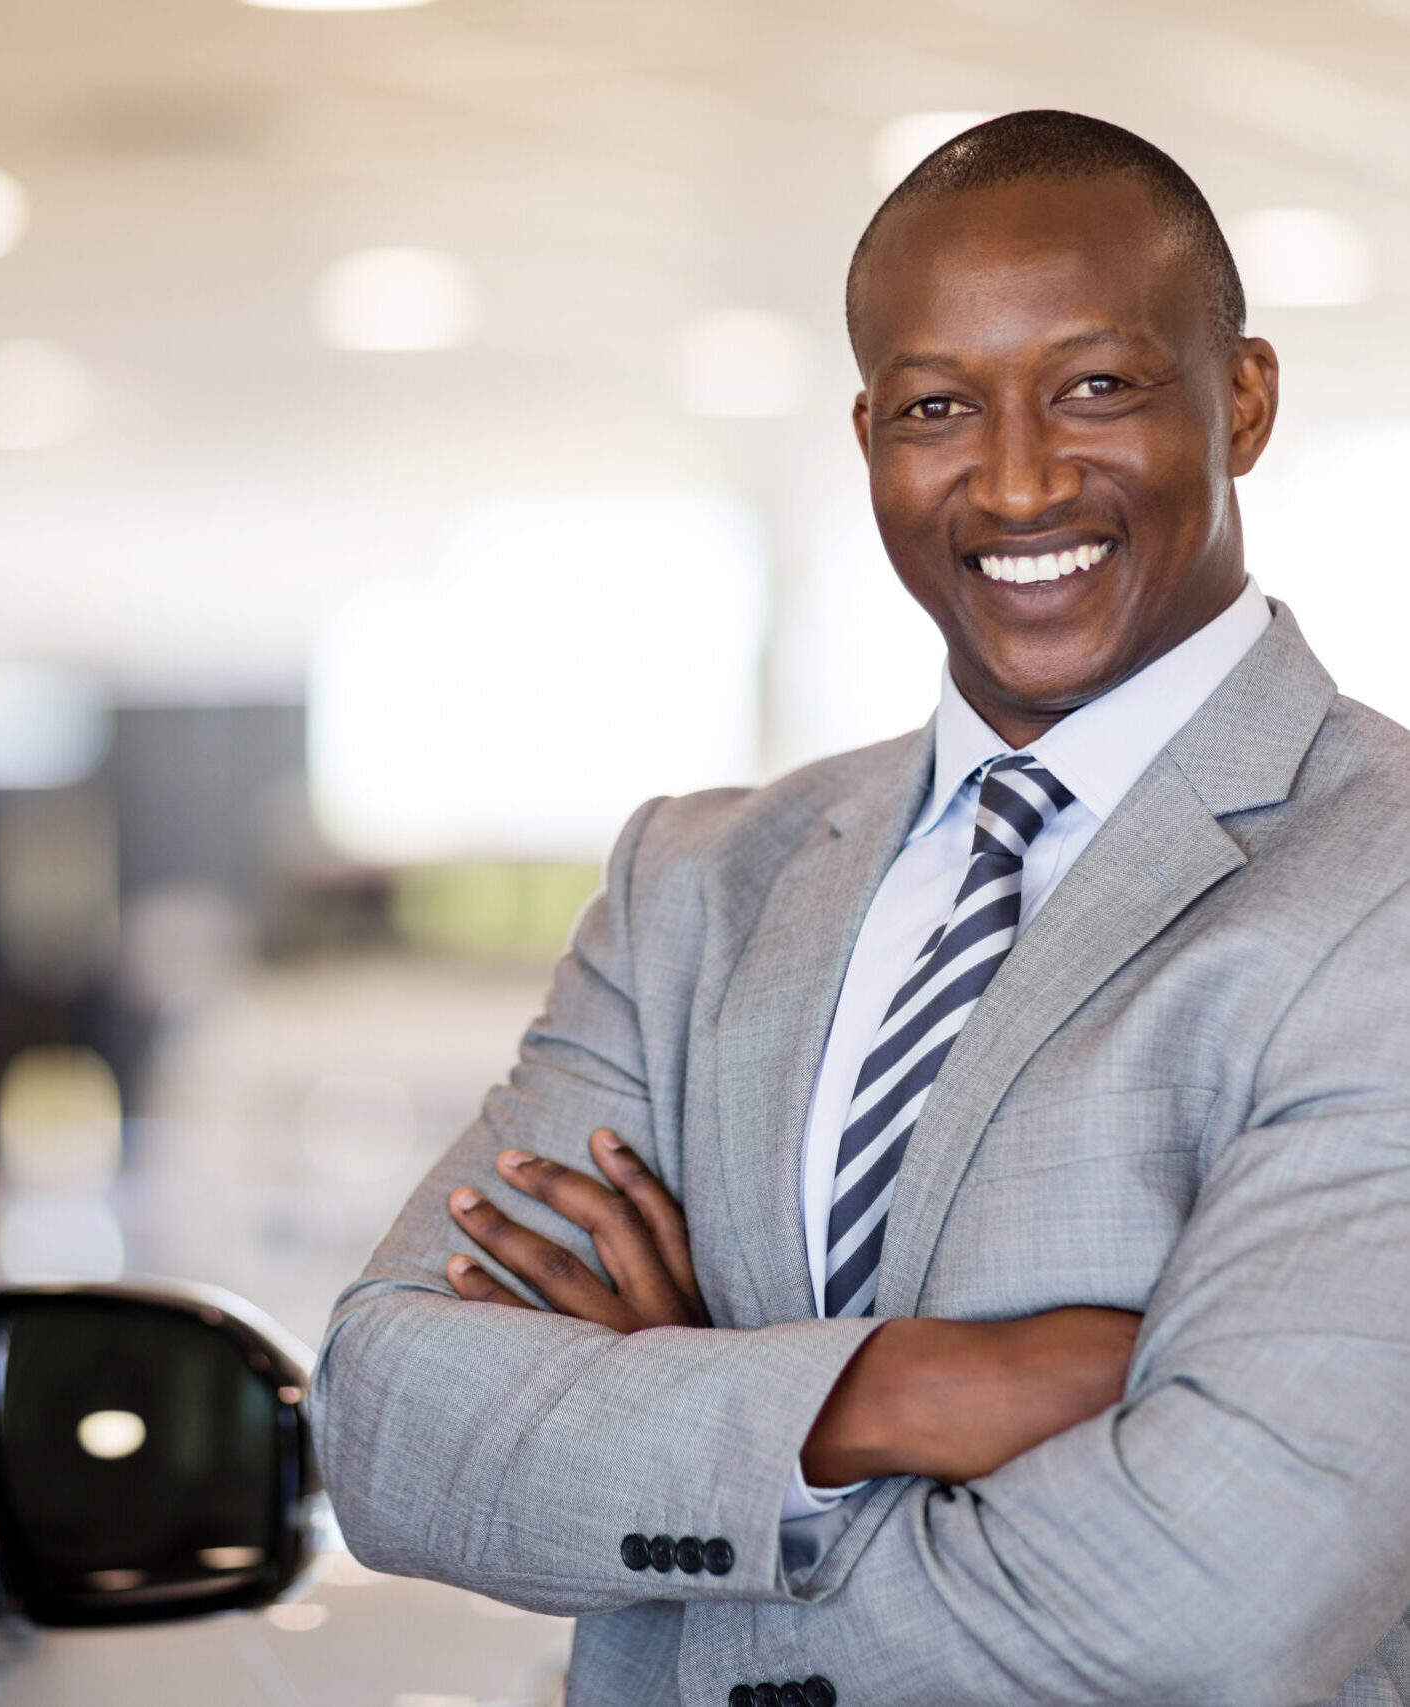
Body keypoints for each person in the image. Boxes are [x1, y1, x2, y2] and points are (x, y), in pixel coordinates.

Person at [310, 110, 1410, 1706]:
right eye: (939, 407)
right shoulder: (697, 887)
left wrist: (680, 1419)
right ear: (868, 433)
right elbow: (389, 1429)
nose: (1020, 479)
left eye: (1098, 387)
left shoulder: (1381, 880)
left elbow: (1223, 1596)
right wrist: (880, 1395)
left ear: (1242, 401)